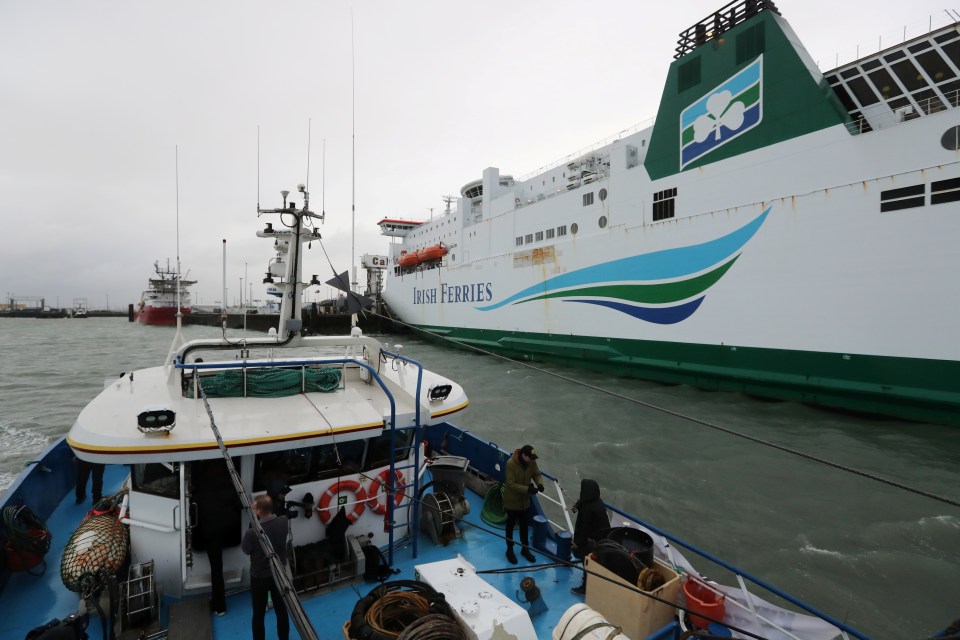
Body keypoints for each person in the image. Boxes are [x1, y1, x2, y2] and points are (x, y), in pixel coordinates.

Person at [193, 460, 242, 616]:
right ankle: (219, 607)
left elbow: (193, 508)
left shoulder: (199, 488)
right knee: (217, 569)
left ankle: (219, 606)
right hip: (229, 532)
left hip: (210, 534)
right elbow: (240, 504)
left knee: (216, 571)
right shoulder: (230, 484)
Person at [242, 495, 290, 640]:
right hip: (279, 575)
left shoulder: (252, 533)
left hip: (259, 578)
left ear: (258, 512)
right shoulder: (283, 522)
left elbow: (246, 550)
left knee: (258, 615)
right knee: (282, 611)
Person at [502, 444, 543, 564]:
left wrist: (539, 483)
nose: (532, 460)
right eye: (530, 457)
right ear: (523, 455)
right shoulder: (511, 464)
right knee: (510, 525)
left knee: (524, 525)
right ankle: (509, 549)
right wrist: (528, 489)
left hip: (524, 502)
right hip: (512, 501)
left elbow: (536, 473)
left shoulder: (531, 462)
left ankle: (525, 549)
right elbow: (511, 483)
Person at [570, 478, 610, 596]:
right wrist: (578, 504)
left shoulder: (588, 509)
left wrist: (577, 543)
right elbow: (585, 501)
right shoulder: (597, 501)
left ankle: (585, 588)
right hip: (602, 538)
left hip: (593, 541)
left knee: (587, 561)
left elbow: (584, 528)